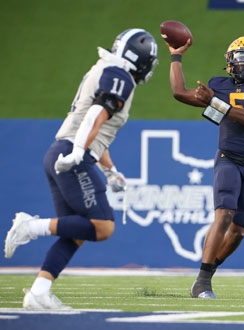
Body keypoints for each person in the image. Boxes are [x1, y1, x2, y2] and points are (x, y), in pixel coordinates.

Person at [4, 29, 159, 310]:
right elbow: (94, 118)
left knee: (76, 232)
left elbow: (96, 133)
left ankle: (39, 292)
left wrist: (111, 171)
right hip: (70, 154)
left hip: (60, 151)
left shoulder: (106, 68)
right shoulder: (120, 76)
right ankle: (30, 226)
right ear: (142, 60)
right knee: (103, 227)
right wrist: (77, 153)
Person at [164, 36, 244, 299]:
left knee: (239, 230)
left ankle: (205, 273)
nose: (243, 64)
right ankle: (203, 282)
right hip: (228, 158)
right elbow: (179, 92)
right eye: (238, 58)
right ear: (229, 62)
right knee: (224, 214)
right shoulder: (219, 85)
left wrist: (214, 102)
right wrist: (176, 56)